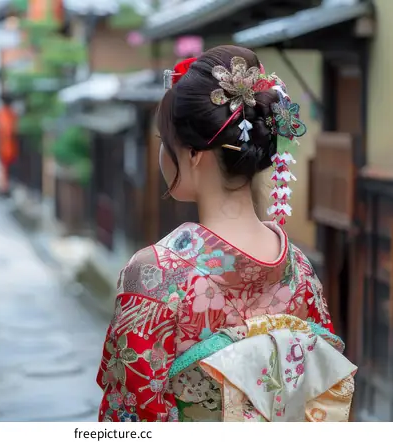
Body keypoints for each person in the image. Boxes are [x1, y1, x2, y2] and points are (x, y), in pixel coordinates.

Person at [96, 45, 357, 422]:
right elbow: (324, 389)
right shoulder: (300, 271)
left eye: (162, 140)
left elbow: (130, 415)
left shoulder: (155, 274)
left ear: (193, 154)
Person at [0, 96, 19, 195]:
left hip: (6, 148)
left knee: (5, 169)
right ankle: (4, 187)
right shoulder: (10, 114)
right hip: (8, 148)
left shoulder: (2, 114)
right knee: (5, 169)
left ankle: (5, 187)